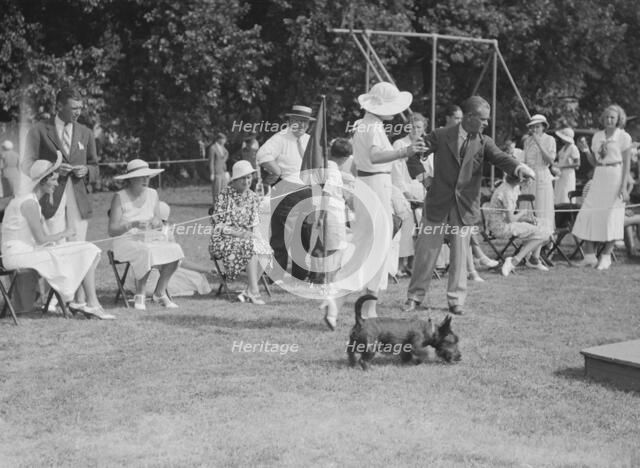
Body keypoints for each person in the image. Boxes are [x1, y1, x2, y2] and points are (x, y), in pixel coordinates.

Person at [404, 96, 536, 315]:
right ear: (470, 117)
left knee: (460, 255)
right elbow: (413, 156)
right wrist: (423, 178)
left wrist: (519, 168)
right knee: (426, 253)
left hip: (464, 207)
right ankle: (413, 297)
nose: (486, 123)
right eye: (483, 119)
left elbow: (502, 158)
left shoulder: (485, 142)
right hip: (437, 203)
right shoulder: (440, 135)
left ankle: (456, 300)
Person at [340, 81, 426, 319]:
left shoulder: (365, 125)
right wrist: (404, 152)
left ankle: (352, 302)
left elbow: (359, 163)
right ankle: (362, 304)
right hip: (376, 186)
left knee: (369, 244)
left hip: (373, 186)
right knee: (377, 247)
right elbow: (375, 156)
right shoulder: (373, 127)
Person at [1, 155, 113, 319]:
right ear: (42, 181)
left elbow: (41, 239)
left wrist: (58, 241)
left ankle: (84, 302)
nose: (56, 183)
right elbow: (41, 239)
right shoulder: (29, 203)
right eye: (53, 179)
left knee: (89, 249)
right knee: (82, 250)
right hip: (17, 255)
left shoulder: (31, 200)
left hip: (26, 252)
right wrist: (64, 234)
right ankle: (90, 303)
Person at [108, 159, 184, 310]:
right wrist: (132, 224)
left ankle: (160, 292)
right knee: (145, 251)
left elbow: (158, 221)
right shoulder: (119, 196)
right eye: (140, 176)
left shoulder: (153, 193)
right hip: (125, 241)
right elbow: (112, 230)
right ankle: (140, 294)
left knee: (175, 249)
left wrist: (156, 223)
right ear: (130, 179)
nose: (145, 180)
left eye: (147, 176)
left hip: (148, 238)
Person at [256, 104, 314, 281]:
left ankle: (300, 273)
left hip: (306, 190)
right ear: (290, 121)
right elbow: (262, 155)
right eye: (298, 121)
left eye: (305, 122)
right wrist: (278, 172)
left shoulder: (309, 140)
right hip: (286, 188)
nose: (302, 126)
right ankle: (276, 274)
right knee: (280, 233)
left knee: (304, 233)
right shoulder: (279, 138)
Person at [572, 104, 631, 270]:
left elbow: (626, 164)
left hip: (615, 175)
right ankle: (589, 256)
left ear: (619, 119)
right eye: (607, 117)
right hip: (599, 176)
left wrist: (624, 187)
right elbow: (595, 162)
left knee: (612, 216)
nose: (609, 120)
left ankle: (606, 256)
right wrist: (585, 151)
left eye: (613, 117)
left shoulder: (623, 137)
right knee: (588, 213)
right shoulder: (597, 136)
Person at [209, 160, 272, 304]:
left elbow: (254, 224)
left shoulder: (253, 197)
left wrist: (257, 236)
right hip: (223, 240)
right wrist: (243, 234)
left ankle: (250, 290)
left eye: (249, 177)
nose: (246, 181)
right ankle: (254, 292)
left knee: (265, 249)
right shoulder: (224, 196)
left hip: (245, 238)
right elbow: (220, 227)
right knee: (249, 245)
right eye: (243, 178)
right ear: (235, 180)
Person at [485, 173, 552, 276]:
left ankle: (534, 259)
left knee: (544, 223)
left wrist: (526, 219)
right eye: (528, 180)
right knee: (543, 233)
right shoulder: (507, 191)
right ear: (521, 180)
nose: (530, 183)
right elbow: (510, 219)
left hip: (506, 223)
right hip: (501, 228)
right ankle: (514, 261)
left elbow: (509, 216)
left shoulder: (512, 187)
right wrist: (523, 213)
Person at [391, 112, 432, 276]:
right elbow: (396, 173)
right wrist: (407, 193)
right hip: (402, 191)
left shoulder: (428, 145)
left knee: (427, 221)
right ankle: (400, 264)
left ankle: (417, 263)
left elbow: (431, 170)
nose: (415, 130)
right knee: (407, 219)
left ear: (424, 128)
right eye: (412, 127)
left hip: (424, 191)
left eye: (419, 127)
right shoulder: (399, 144)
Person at [144, 202, 213, 297]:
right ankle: (164, 292)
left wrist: (207, 270)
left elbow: (179, 262)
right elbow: (180, 262)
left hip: (150, 278)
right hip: (150, 281)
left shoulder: (162, 231)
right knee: (197, 279)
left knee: (197, 277)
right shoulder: (156, 233)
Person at [521, 114, 556, 234]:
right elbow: (525, 160)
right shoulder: (527, 141)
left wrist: (539, 143)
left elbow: (550, 161)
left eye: (537, 127)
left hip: (542, 175)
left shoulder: (550, 140)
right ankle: (528, 238)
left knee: (542, 207)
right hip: (529, 176)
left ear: (543, 127)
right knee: (528, 206)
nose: (534, 130)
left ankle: (545, 240)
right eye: (532, 127)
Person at [554, 127, 580, 204]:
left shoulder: (573, 148)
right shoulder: (563, 147)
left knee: (566, 192)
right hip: (560, 174)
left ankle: (566, 211)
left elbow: (577, 164)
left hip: (568, 174)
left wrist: (563, 166)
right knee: (559, 194)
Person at [208, 132, 229, 205]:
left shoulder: (223, 148)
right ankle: (216, 205)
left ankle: (223, 204)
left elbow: (226, 155)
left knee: (224, 189)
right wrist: (212, 173)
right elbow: (211, 161)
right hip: (216, 172)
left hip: (223, 171)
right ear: (219, 139)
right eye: (223, 139)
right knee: (216, 190)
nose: (224, 141)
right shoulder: (213, 148)